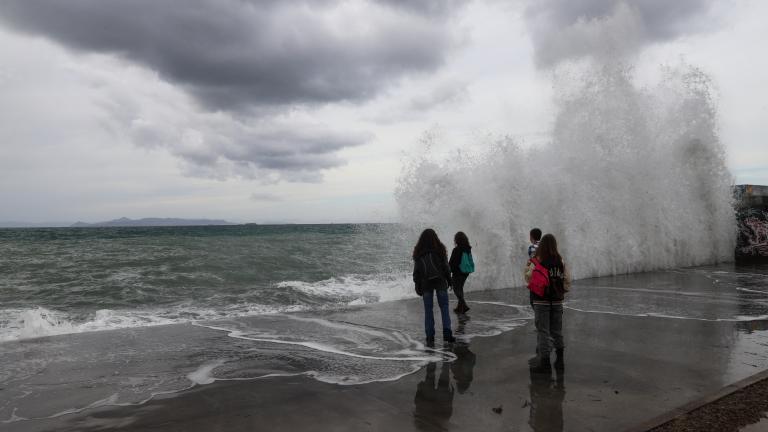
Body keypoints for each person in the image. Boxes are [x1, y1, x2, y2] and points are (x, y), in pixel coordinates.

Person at [527, 234, 571, 373]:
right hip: (557, 301)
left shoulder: (536, 261)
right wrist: (561, 292)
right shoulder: (561, 261)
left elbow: (528, 277)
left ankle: (545, 362)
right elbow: (567, 280)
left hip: (541, 301)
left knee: (543, 331)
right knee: (557, 331)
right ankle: (560, 359)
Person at [413, 229, 455, 344]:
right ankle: (447, 334)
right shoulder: (440, 249)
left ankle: (430, 337)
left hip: (426, 283)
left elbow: (416, 272)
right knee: (444, 308)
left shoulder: (419, 252)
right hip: (440, 281)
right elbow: (446, 267)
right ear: (435, 237)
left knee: (428, 310)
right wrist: (450, 281)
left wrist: (417, 285)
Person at [448, 231, 473, 314]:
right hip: (465, 272)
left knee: (456, 289)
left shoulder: (456, 250)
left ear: (457, 240)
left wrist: (448, 271)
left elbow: (452, 262)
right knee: (460, 288)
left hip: (457, 272)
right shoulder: (468, 249)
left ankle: (464, 305)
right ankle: (459, 308)